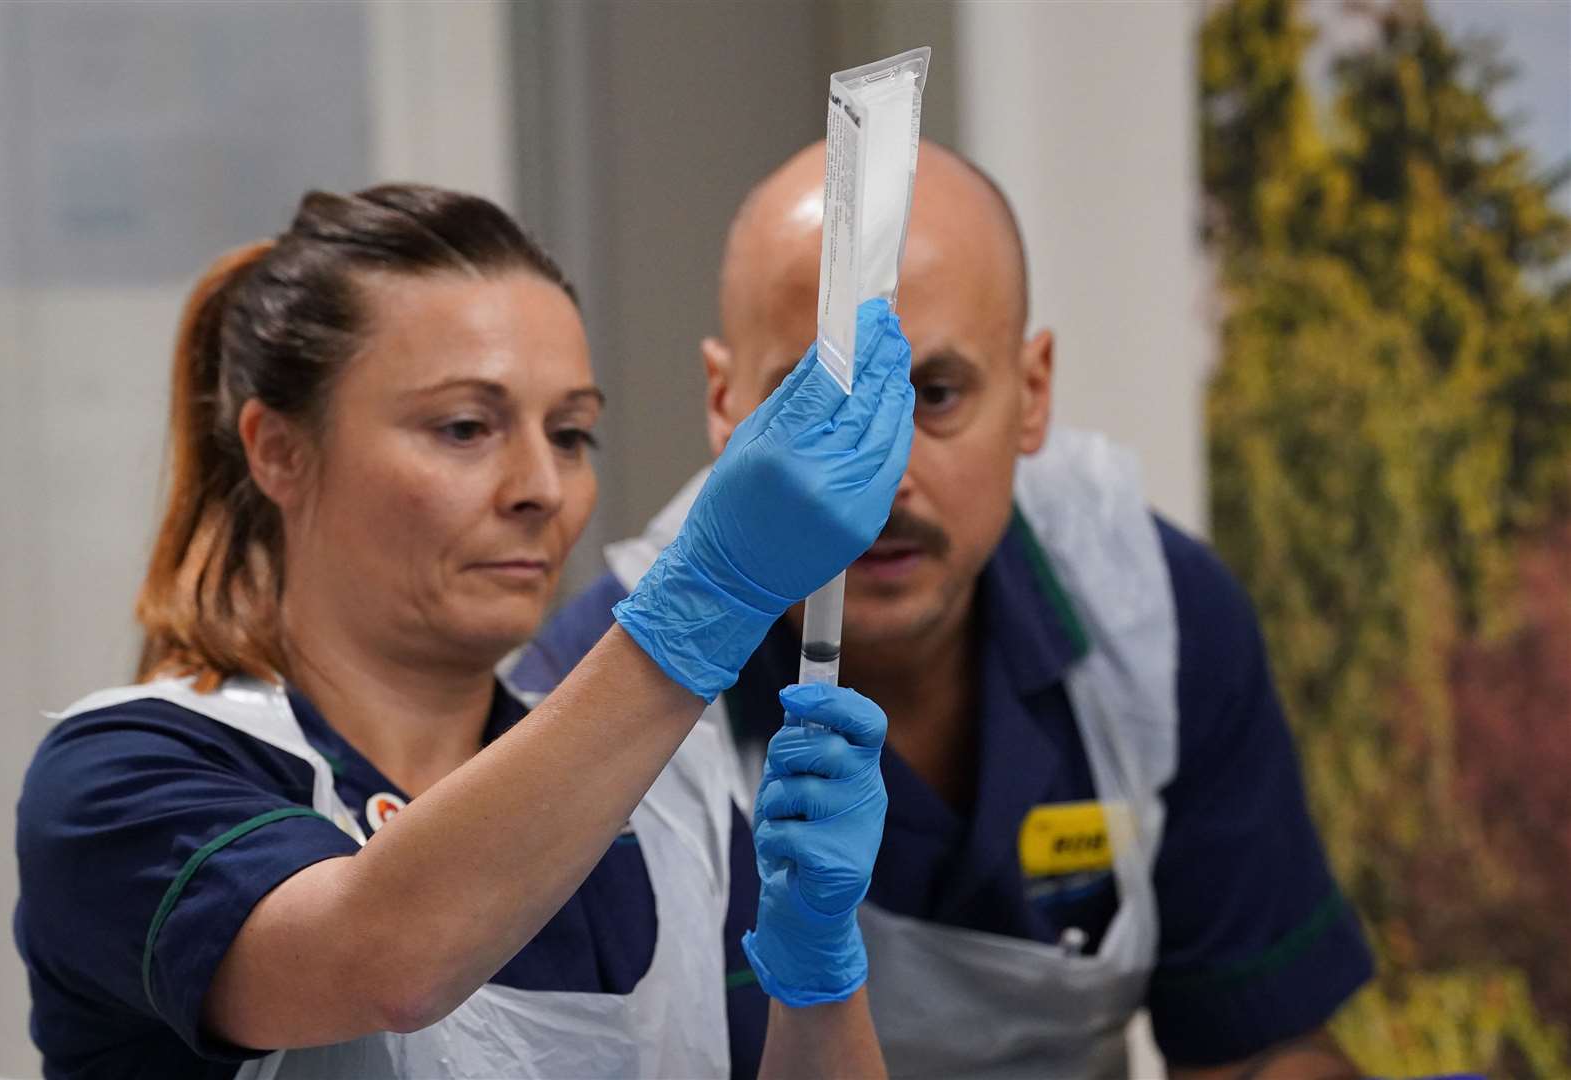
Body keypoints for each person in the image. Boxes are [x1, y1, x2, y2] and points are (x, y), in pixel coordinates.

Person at [13, 184, 915, 1078]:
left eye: (570, 434)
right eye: (464, 427)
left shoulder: (670, 802)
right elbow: (386, 963)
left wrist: (819, 981)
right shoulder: (125, 776)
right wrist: (709, 595)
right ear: (278, 450)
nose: (541, 488)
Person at [528, 141, 1377, 1078]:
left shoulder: (1156, 616)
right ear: (726, 405)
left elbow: (1259, 1048)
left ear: (1033, 392)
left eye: (933, 396)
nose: (879, 480)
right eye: (812, 400)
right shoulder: (601, 696)